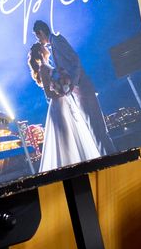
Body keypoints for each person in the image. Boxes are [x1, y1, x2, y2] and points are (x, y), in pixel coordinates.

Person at [32, 20, 115, 155]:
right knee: (92, 129)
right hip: (76, 93)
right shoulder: (53, 45)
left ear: (41, 32)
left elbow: (75, 60)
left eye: (37, 36)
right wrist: (68, 87)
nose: (38, 40)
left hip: (82, 89)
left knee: (97, 128)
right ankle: (105, 155)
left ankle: (110, 155)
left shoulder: (57, 40)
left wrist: (72, 84)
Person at [28, 42, 101, 171]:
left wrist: (65, 90)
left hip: (65, 102)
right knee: (66, 139)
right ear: (41, 51)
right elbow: (48, 93)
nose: (46, 47)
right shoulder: (43, 68)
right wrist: (63, 92)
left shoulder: (47, 66)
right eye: (43, 46)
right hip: (58, 106)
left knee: (74, 134)